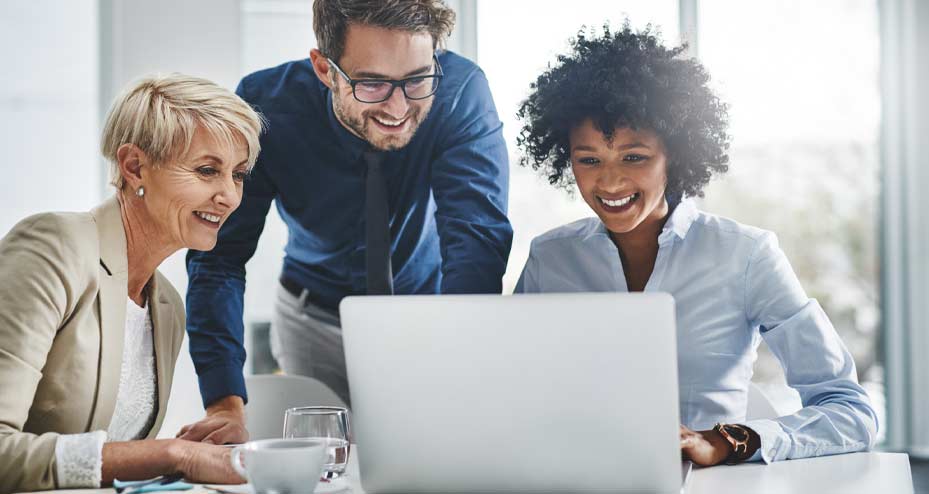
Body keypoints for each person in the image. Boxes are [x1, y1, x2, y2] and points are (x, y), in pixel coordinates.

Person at [513, 25, 878, 466]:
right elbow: (512, 393)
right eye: (588, 159)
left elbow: (852, 412)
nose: (609, 181)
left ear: (677, 155)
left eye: (634, 157)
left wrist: (727, 441)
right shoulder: (550, 259)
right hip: (573, 476)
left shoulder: (747, 255)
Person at [181, 0, 512, 443]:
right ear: (324, 69)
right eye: (372, 83)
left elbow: (475, 239)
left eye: (417, 79)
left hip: (428, 316)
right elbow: (219, 258)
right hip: (312, 320)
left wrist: (458, 362)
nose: (398, 107)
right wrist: (223, 400)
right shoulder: (266, 107)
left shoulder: (460, 91)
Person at [0, 74, 264, 491]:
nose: (229, 196)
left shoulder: (167, 308)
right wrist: (172, 454)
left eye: (239, 175)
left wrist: (186, 455)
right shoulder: (52, 249)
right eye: (208, 170)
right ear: (134, 166)